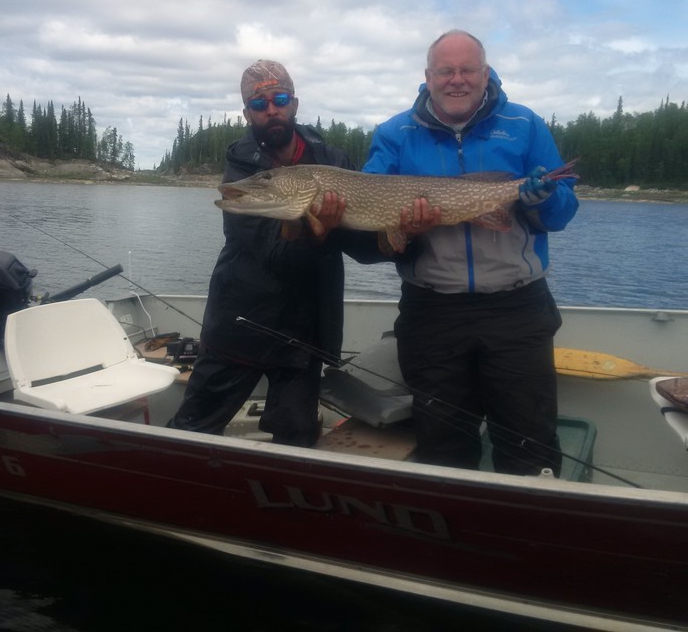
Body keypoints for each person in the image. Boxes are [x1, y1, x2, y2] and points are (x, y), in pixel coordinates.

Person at [363, 30, 579, 475]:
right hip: (433, 313)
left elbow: (562, 213)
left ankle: (529, 516)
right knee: (443, 447)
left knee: (529, 444)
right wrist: (406, 229)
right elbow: (372, 215)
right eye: (446, 71)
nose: (456, 80)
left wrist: (541, 199)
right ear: (429, 77)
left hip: (516, 310)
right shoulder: (394, 133)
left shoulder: (524, 125)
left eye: (467, 70)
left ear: (485, 74)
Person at [169, 60, 378, 447]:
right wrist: (316, 233)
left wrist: (403, 236)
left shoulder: (332, 160)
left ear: (293, 103)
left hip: (304, 332)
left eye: (280, 99)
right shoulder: (242, 174)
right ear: (247, 113)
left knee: (296, 438)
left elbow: (363, 248)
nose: (271, 110)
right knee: (193, 431)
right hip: (240, 325)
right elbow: (276, 257)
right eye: (259, 103)